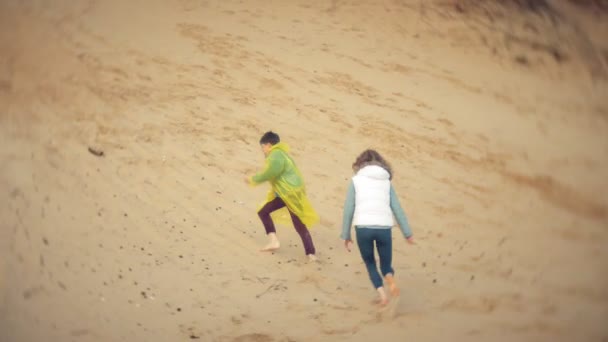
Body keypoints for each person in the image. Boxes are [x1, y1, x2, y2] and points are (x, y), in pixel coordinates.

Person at [341, 149, 415, 306]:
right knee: (386, 265)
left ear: (360, 163)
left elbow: (348, 209)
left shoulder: (356, 180)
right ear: (381, 163)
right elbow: (397, 208)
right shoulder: (386, 181)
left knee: (370, 263)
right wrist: (407, 233)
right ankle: (391, 280)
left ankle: (383, 296)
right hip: (384, 228)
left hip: (363, 228)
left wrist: (346, 235)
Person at [245, 131, 319, 262]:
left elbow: (270, 173)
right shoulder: (282, 154)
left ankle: (277, 242)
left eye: (263, 147)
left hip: (289, 194)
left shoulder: (276, 155)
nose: (263, 150)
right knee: (296, 223)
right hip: (290, 193)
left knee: (265, 212)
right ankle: (311, 254)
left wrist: (253, 179)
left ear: (268, 145)